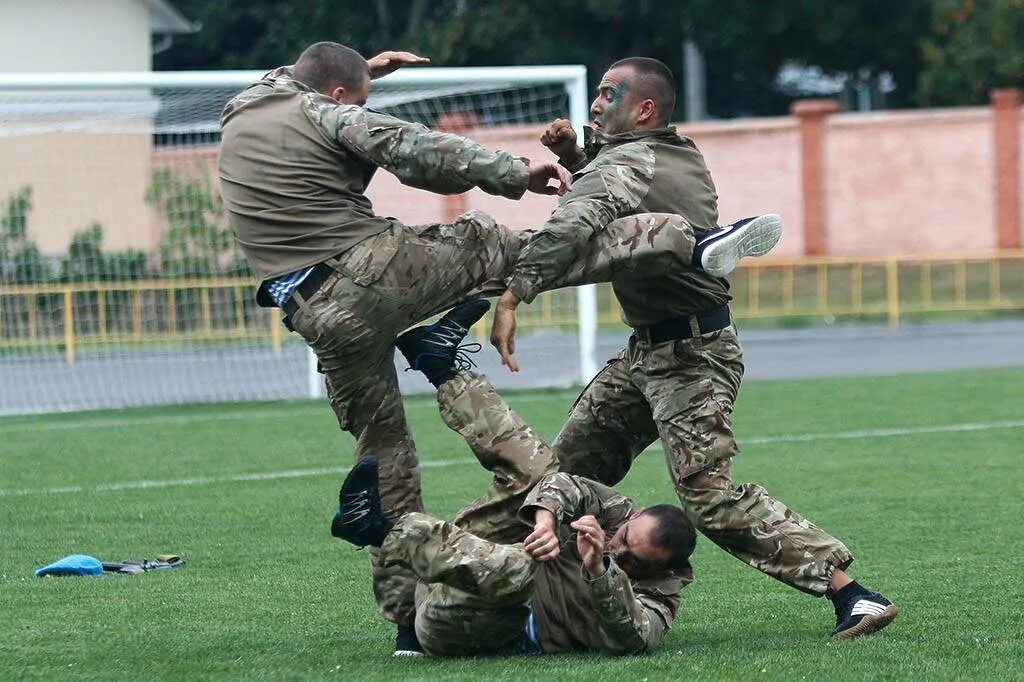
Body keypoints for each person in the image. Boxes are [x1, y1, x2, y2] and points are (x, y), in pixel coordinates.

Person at [219, 41, 780, 654]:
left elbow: (299, 78)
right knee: (499, 244)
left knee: (382, 450)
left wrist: (364, 73)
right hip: (364, 273)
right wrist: (517, 173)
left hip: (312, 312)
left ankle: (406, 620)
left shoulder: (247, 104)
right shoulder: (331, 112)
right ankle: (685, 240)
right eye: (357, 96)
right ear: (334, 97)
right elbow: (413, 148)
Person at [489, 57, 898, 639]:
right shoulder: (672, 152)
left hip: (691, 356)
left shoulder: (632, 159)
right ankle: (519, 603)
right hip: (647, 353)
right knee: (562, 478)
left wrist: (515, 291)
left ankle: (852, 594)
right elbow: (617, 187)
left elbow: (579, 217)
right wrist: (578, 158)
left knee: (708, 499)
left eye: (609, 94)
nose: (596, 103)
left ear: (645, 109)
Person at [330, 316, 697, 656]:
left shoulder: (661, 595)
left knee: (523, 571)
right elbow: (563, 484)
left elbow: (634, 638)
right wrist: (546, 521)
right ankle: (440, 367)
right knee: (539, 471)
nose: (618, 551)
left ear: (662, 571)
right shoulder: (617, 512)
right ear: (637, 515)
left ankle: (378, 529)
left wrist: (602, 572)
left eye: (635, 561)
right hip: (457, 569)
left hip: (469, 623)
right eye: (624, 539)